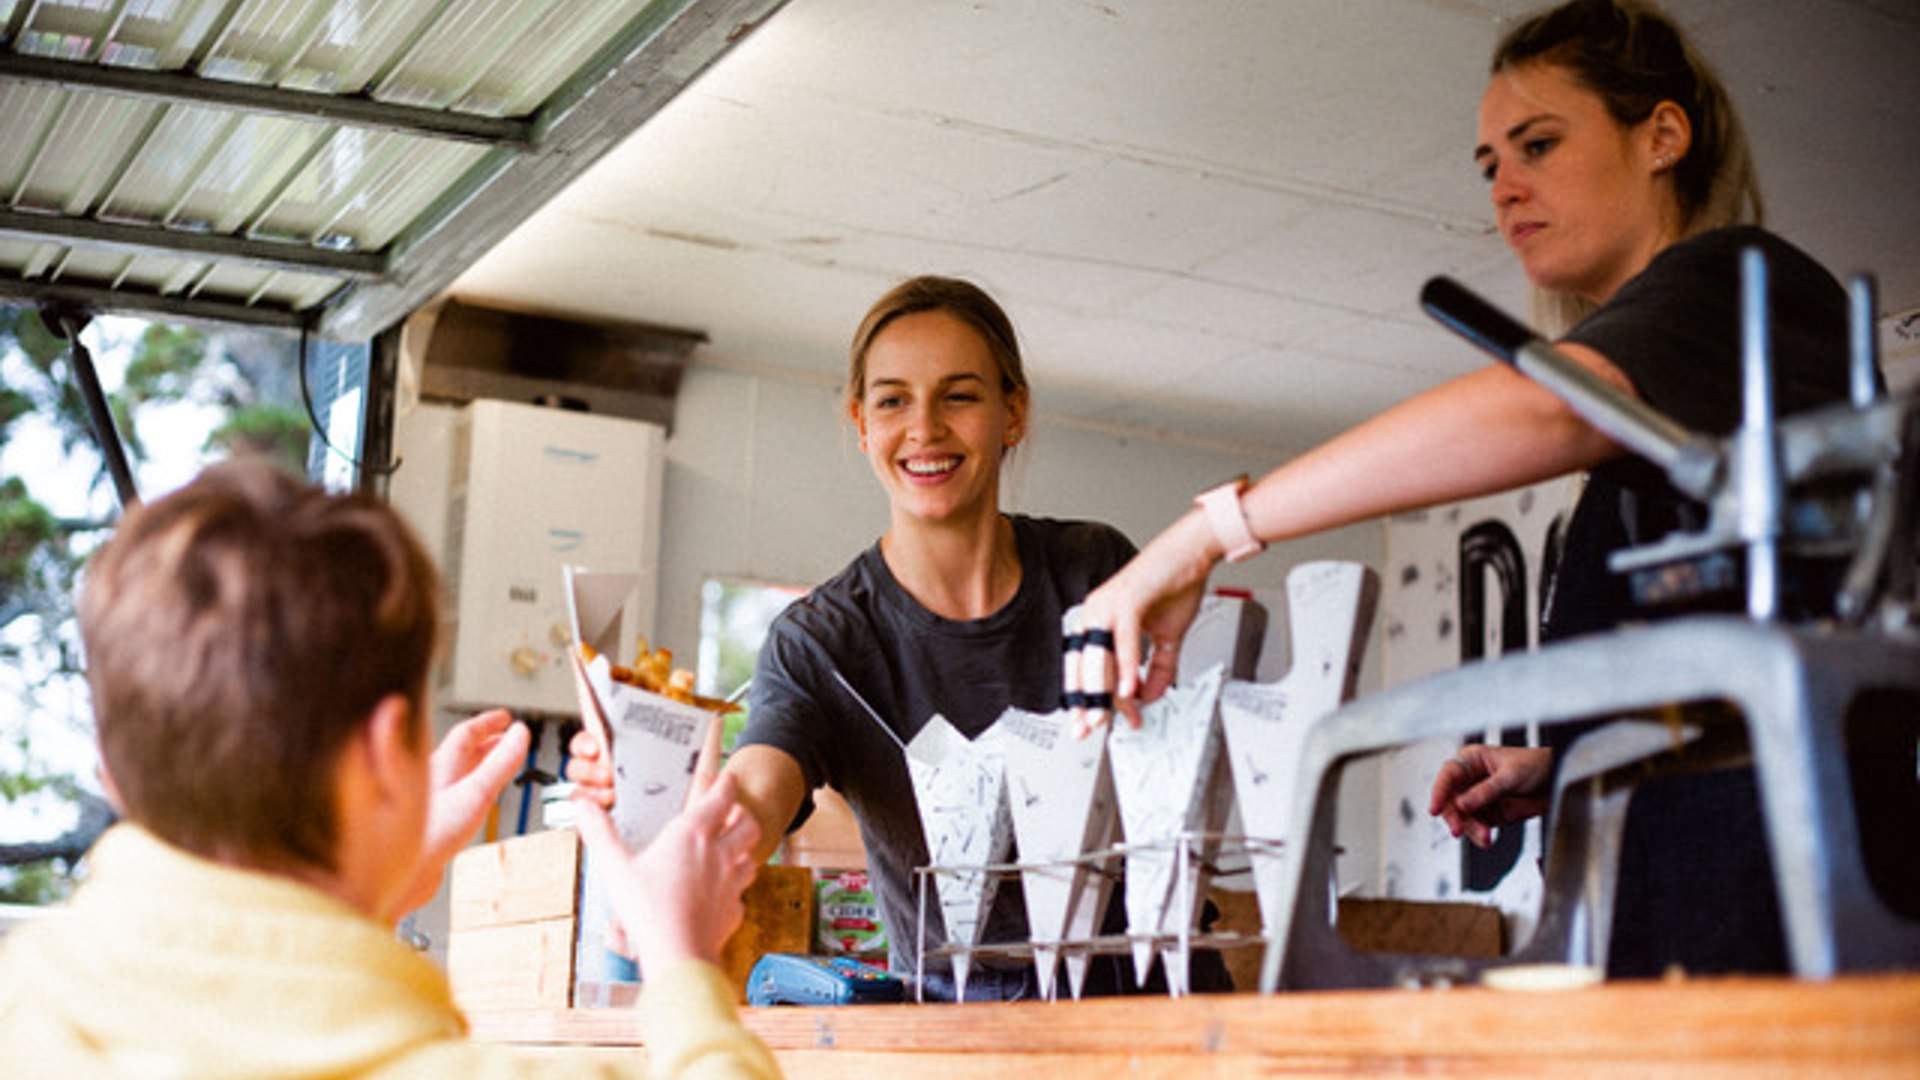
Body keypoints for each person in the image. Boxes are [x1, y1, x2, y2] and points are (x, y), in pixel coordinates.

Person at [1064, 0, 1869, 977]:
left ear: (1662, 134)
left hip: (1775, 911)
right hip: (1668, 906)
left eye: (1538, 144)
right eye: (1492, 166)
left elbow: (1545, 411)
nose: (1506, 190)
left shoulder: (1736, 282)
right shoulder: (1666, 411)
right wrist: (1566, 760)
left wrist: (1204, 534)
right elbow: (1709, 662)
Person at [0, 461, 778, 1079]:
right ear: (383, 750)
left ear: (112, 772)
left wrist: (382, 872)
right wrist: (682, 957)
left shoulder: (21, 1005)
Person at [571, 276, 1230, 1000]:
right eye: (892, 400)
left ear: (1012, 413)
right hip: (964, 1038)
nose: (924, 429)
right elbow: (759, 789)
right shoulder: (821, 642)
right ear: (860, 423)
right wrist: (658, 798)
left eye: (959, 395)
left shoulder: (1095, 572)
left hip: (1163, 1004)